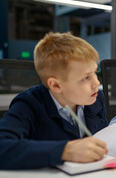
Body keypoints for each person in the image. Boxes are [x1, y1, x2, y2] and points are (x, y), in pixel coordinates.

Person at [0, 32, 109, 169]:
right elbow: (3, 146)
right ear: (56, 85)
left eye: (95, 72)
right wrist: (65, 151)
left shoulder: (95, 99)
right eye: (86, 78)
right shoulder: (29, 104)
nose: (96, 83)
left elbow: (102, 137)